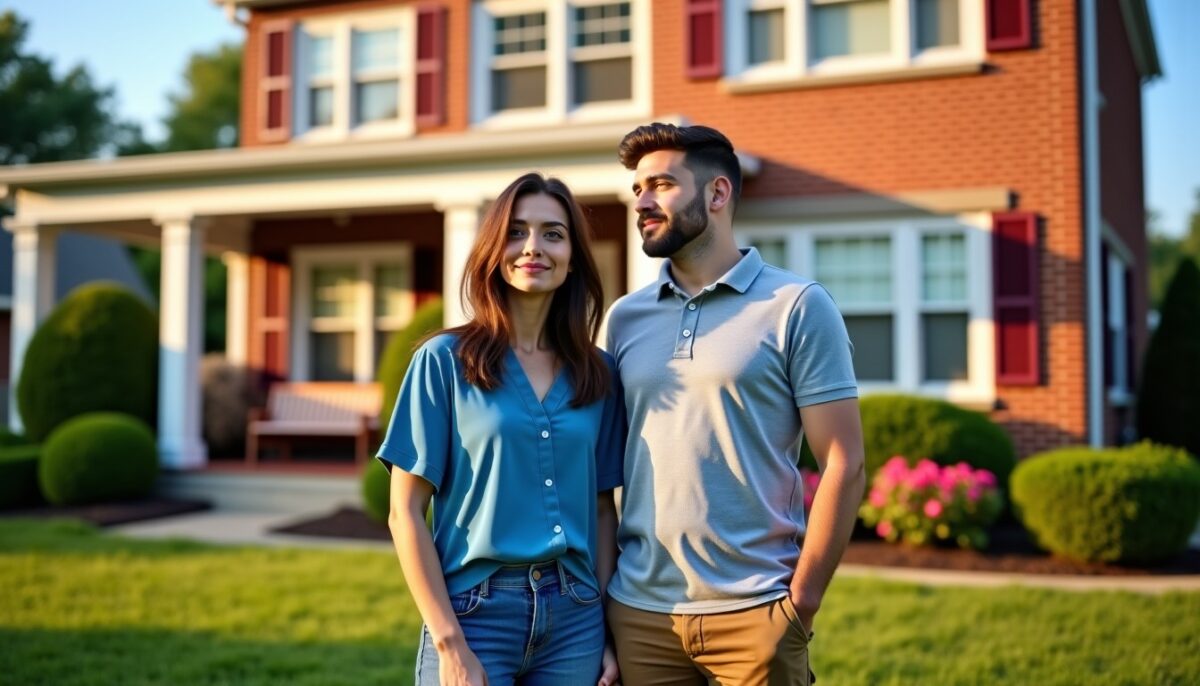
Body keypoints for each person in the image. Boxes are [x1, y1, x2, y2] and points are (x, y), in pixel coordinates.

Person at [603, 123, 866, 685]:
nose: (642, 202)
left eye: (661, 185)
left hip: (757, 613)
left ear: (717, 193)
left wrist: (801, 604)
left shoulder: (797, 305)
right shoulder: (624, 318)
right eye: (637, 190)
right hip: (642, 616)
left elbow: (844, 461)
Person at [378, 173, 624, 686]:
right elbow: (405, 511)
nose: (533, 246)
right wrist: (449, 642)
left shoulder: (598, 373)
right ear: (493, 249)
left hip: (576, 619)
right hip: (474, 616)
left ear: (573, 258)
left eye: (553, 234)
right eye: (516, 232)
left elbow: (604, 509)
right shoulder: (443, 362)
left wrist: (607, 630)